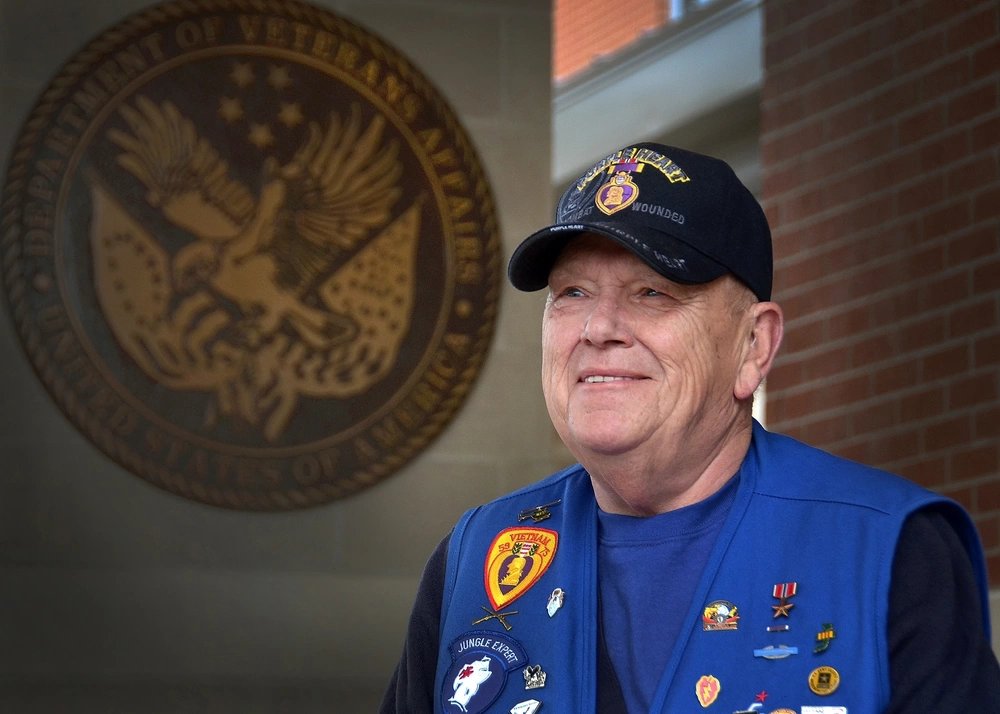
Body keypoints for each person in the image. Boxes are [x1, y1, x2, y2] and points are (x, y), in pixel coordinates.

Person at [380, 142, 1000, 713]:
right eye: (572, 292)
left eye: (652, 292)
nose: (599, 327)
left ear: (753, 346)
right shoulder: (477, 561)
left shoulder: (890, 551)